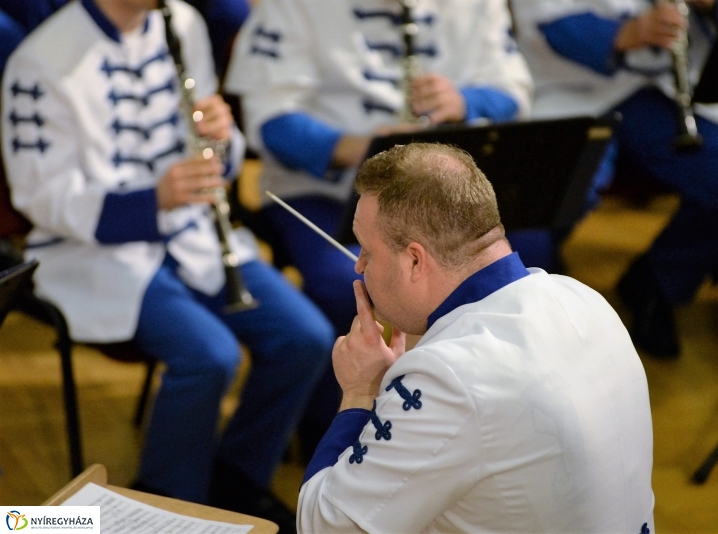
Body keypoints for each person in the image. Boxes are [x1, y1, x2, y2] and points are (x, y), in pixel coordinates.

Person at [1, 0, 334, 529]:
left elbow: (208, 151)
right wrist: (151, 200)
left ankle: (234, 484)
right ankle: (163, 502)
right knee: (210, 356)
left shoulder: (182, 22)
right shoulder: (41, 59)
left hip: (194, 234)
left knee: (306, 339)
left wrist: (221, 142)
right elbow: (38, 195)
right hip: (94, 251)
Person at [223, 0, 550, 459]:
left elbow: (514, 92)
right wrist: (364, 148)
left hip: (440, 197)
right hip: (326, 193)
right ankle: (334, 428)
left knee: (523, 252)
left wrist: (464, 100)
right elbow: (269, 122)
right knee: (351, 285)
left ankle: (478, 411)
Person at [296, 143, 655, 533]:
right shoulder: (585, 300)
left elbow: (323, 525)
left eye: (366, 250)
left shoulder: (447, 377)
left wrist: (359, 393)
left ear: (415, 260)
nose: (360, 266)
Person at [508, 0, 718, 358]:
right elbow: (542, 19)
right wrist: (622, 34)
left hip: (668, 92)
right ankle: (544, 301)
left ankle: (657, 283)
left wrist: (713, 5)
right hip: (571, 89)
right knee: (555, 192)